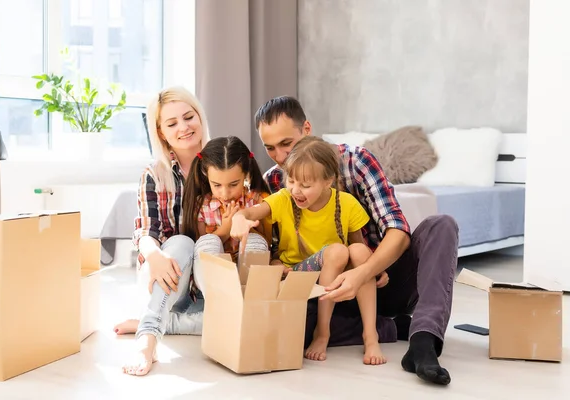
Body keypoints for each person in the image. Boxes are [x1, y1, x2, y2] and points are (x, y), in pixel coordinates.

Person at [254, 96, 459, 386]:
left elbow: (397, 231)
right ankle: (386, 329)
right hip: (324, 292)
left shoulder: (356, 161)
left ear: (307, 129)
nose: (280, 156)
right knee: (290, 331)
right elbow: (275, 251)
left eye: (286, 143)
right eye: (269, 147)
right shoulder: (275, 181)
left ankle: (423, 341)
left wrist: (363, 272)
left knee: (442, 225)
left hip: (380, 281)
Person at [231, 136, 387, 366]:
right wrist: (238, 219)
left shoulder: (346, 203)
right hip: (295, 274)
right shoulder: (283, 199)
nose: (295, 190)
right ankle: (322, 333)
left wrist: (373, 268)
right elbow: (250, 213)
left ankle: (370, 335)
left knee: (357, 252)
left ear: (328, 181)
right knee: (337, 252)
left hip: (335, 281)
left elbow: (358, 248)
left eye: (305, 185)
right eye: (291, 181)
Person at [120, 86, 210, 376]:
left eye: (188, 117)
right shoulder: (154, 173)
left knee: (206, 244)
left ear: (200, 116)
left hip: (206, 278)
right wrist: (153, 254)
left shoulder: (221, 163)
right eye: (172, 124)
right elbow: (146, 229)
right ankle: (147, 340)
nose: (183, 127)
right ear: (161, 132)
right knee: (182, 242)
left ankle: (159, 320)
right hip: (167, 273)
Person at [182, 136, 272, 283]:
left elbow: (268, 243)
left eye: (233, 184)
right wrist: (225, 229)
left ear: (246, 175)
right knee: (209, 242)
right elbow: (201, 246)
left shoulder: (258, 201)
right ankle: (216, 294)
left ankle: (248, 292)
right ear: (206, 177)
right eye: (217, 185)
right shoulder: (202, 206)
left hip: (248, 272)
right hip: (213, 276)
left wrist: (246, 225)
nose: (225, 194)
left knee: (255, 241)